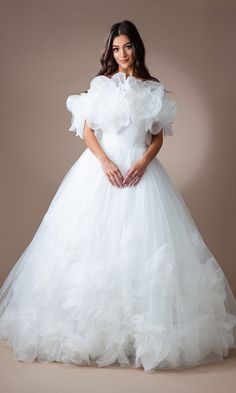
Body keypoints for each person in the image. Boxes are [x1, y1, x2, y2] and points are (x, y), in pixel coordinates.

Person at [0, 20, 236, 375]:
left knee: (143, 248)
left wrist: (143, 161)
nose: (122, 54)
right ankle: (95, 333)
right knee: (93, 246)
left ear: (137, 48)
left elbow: (157, 136)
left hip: (141, 173)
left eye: (127, 46)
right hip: (102, 172)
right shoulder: (101, 86)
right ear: (110, 52)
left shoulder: (153, 89)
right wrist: (105, 161)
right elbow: (87, 129)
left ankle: (136, 337)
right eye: (115, 48)